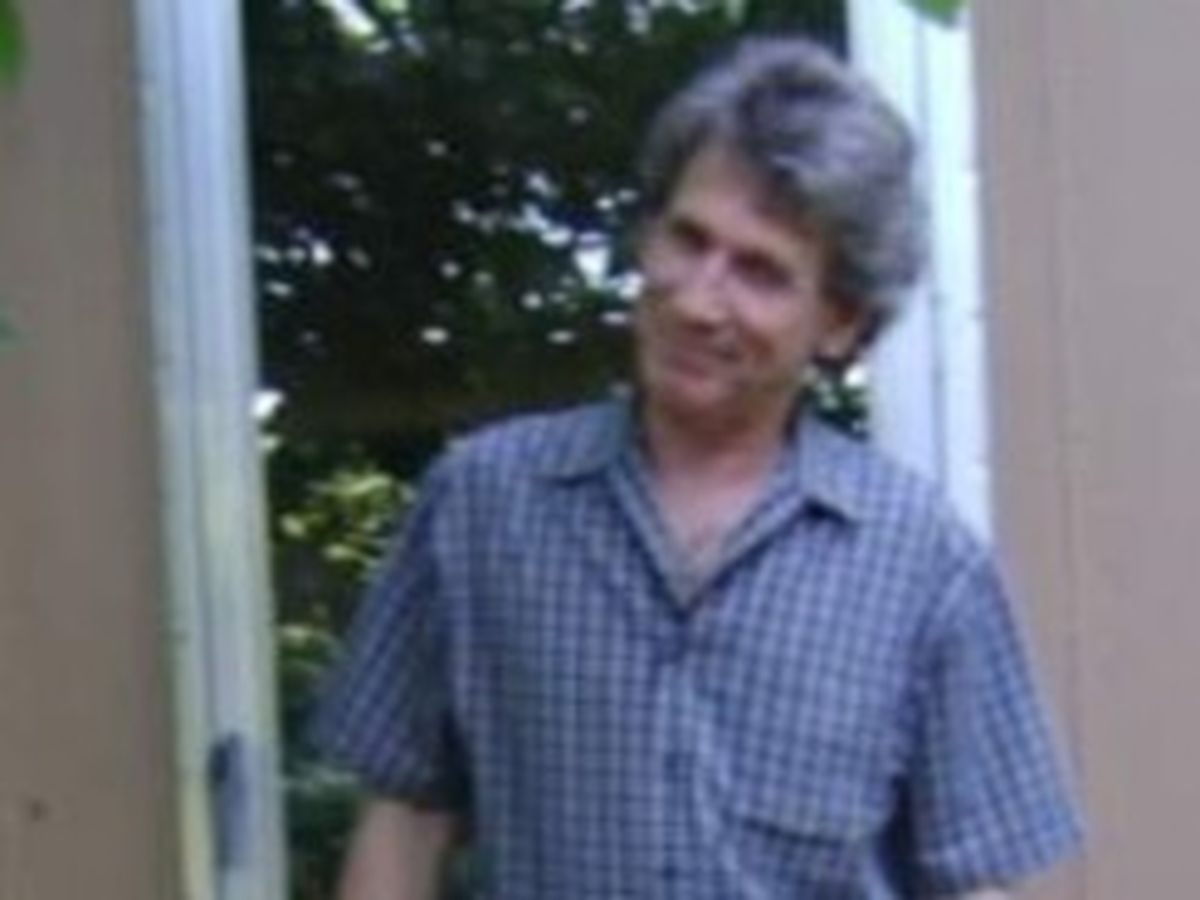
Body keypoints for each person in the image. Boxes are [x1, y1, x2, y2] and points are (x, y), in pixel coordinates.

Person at [311, 35, 1083, 899]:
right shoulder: (482, 506)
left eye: (760, 272)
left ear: (841, 324)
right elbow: (406, 815)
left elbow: (974, 881)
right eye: (688, 239)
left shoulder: (924, 563)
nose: (698, 299)